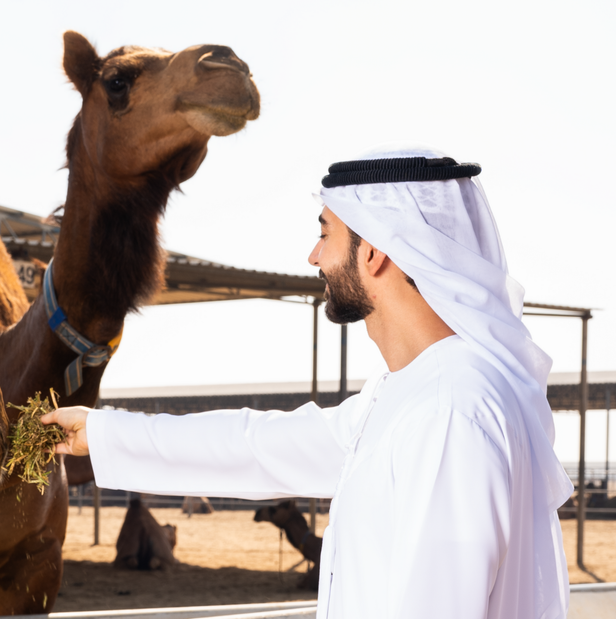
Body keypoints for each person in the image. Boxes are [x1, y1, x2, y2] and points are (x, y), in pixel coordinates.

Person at [42, 145, 573, 619]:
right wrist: (101, 432)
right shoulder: (405, 396)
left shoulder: (451, 410)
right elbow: (258, 446)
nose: (314, 256)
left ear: (375, 250)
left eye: (325, 233)